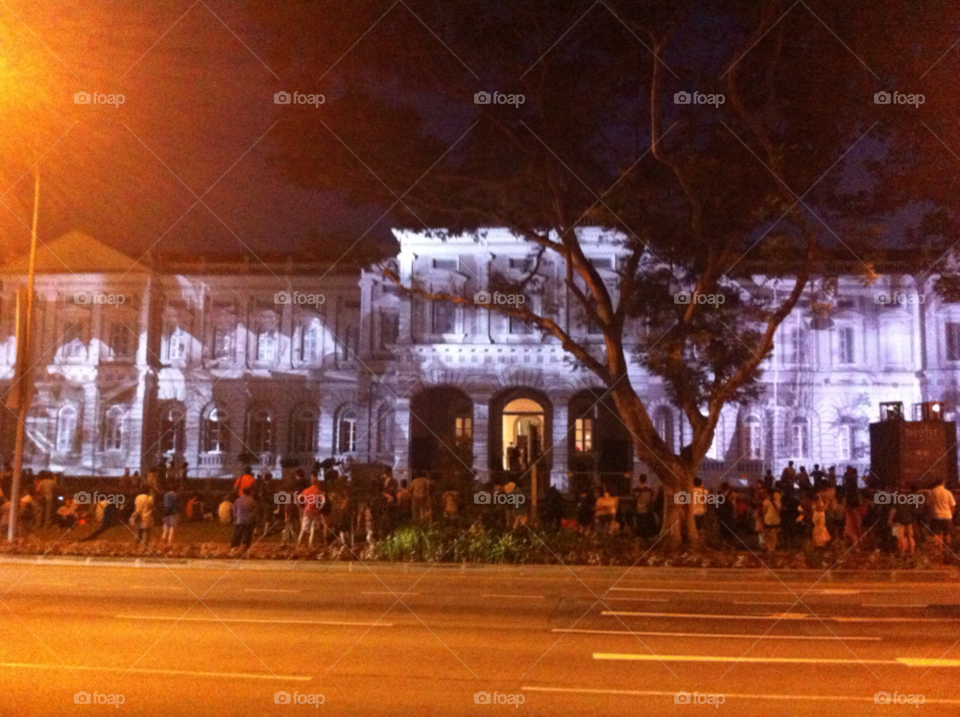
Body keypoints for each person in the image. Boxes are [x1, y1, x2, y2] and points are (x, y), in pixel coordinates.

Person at [930, 478, 956, 555]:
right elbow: (952, 505)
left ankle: (938, 551)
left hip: (936, 516)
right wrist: (951, 514)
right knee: (947, 534)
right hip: (947, 516)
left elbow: (929, 504)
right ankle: (948, 551)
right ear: (943, 482)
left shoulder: (932, 492)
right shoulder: (948, 493)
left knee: (937, 534)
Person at [297, 477, 326, 548]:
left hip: (307, 511)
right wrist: (320, 508)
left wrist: (301, 507)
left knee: (303, 529)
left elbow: (298, 498)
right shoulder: (318, 491)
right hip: (315, 512)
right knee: (313, 529)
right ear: (317, 483)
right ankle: (310, 545)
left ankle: (298, 545)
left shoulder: (306, 490)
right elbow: (324, 501)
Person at [889, 490, 917, 555]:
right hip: (908, 519)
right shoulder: (909, 498)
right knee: (910, 536)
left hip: (898, 520)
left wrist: (890, 519)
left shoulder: (895, 499)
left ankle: (902, 552)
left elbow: (893, 510)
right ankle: (912, 551)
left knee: (899, 537)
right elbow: (913, 509)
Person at [230, 487, 258, 553]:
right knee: (247, 534)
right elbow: (255, 511)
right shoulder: (252, 501)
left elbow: (234, 509)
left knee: (237, 534)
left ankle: (234, 547)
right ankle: (245, 547)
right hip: (248, 521)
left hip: (239, 520)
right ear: (250, 492)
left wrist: (235, 517)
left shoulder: (238, 500)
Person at [761, 485, 781, 552]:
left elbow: (764, 511)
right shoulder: (778, 501)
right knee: (774, 534)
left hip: (768, 520)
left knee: (767, 534)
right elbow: (780, 509)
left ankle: (767, 546)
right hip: (776, 520)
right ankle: (772, 547)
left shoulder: (766, 501)